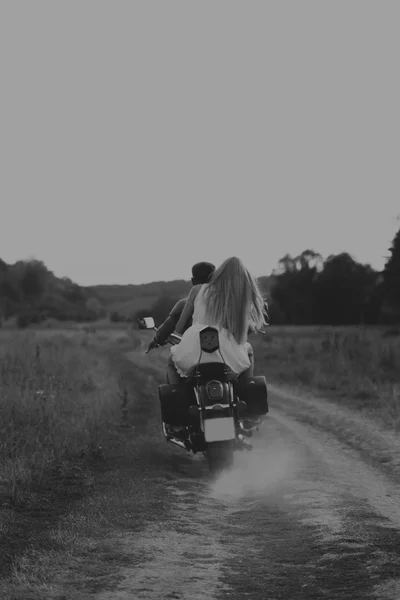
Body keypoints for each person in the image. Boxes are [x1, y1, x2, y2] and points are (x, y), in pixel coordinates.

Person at [167, 256, 267, 385]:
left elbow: (179, 328)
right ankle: (245, 391)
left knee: (171, 361)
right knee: (248, 351)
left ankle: (178, 398)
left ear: (219, 273)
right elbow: (242, 336)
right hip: (226, 353)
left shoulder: (197, 290)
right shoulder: (236, 297)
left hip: (194, 346)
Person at [146, 262, 215, 352]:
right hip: (224, 349)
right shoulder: (227, 301)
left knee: (172, 362)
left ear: (193, 281)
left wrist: (157, 340)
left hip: (196, 348)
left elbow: (169, 325)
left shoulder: (183, 304)